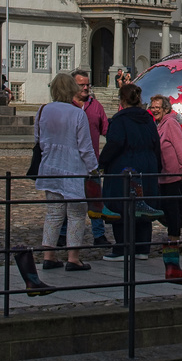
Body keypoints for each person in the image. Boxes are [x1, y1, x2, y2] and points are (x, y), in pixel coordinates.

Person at [35, 72, 98, 272]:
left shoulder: (43, 110)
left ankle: (49, 255)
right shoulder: (77, 113)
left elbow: (38, 139)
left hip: (50, 166)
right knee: (76, 214)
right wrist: (93, 169)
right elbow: (85, 147)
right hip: (73, 168)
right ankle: (73, 257)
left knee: (53, 213)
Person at [98, 83, 163, 260]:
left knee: (122, 206)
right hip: (147, 166)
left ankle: (122, 248)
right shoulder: (148, 119)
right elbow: (156, 143)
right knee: (144, 206)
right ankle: (142, 248)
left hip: (125, 167)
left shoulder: (120, 120)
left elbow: (115, 143)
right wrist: (156, 166)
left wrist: (102, 162)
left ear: (122, 100)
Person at [150, 94, 182, 284]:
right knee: (168, 209)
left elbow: (180, 146)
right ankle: (172, 244)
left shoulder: (170, 123)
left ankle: (173, 244)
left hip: (173, 174)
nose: (155, 110)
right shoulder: (160, 124)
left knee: (172, 211)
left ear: (166, 108)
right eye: (152, 107)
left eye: (158, 107)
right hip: (164, 175)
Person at [73, 70, 110, 248]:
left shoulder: (96, 106)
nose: (86, 88)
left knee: (96, 200)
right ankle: (63, 234)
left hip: (92, 163)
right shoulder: (67, 106)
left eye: (87, 84)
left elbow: (107, 131)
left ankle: (99, 235)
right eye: (82, 85)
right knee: (69, 201)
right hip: (71, 164)